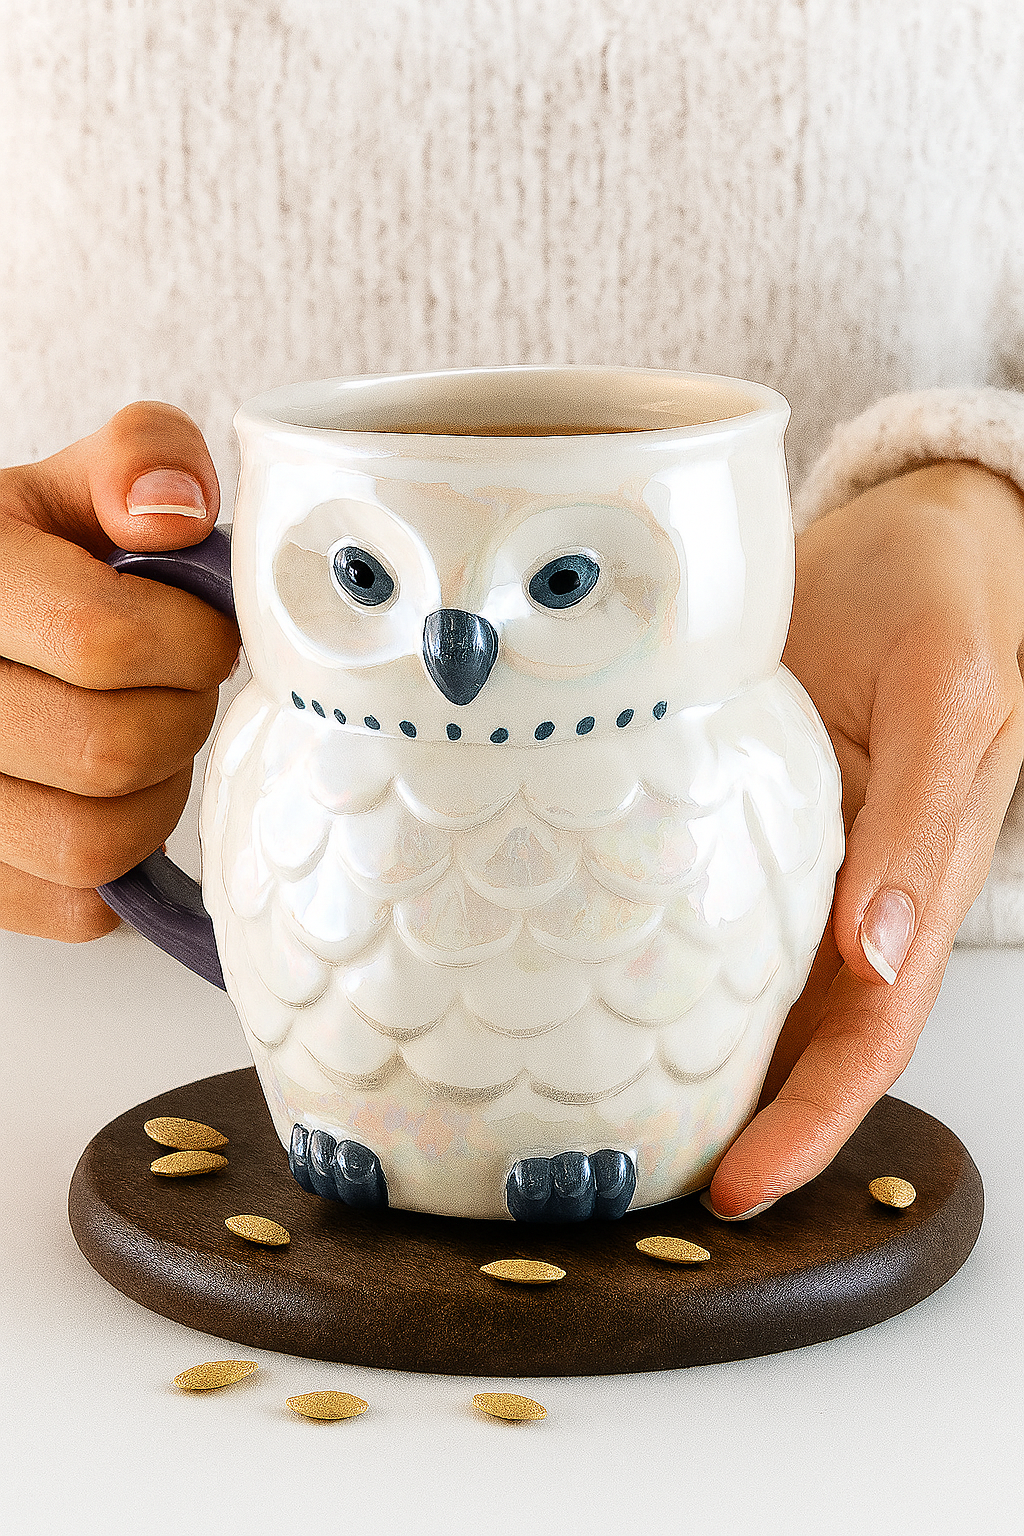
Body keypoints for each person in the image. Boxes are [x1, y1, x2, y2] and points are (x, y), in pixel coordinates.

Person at [3, 0, 1024, 1221]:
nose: (457, 649)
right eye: (365, 579)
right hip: (40, 1017)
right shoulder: (287, 741)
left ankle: (599, 1141)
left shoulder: (754, 756)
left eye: (560, 581)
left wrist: (985, 498)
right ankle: (350, 1127)